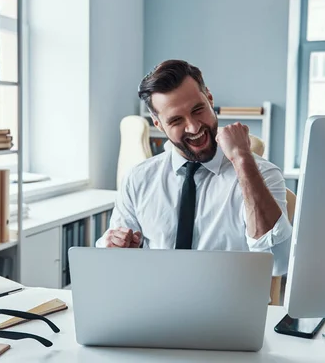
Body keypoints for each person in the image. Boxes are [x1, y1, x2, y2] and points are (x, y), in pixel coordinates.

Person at [96, 59, 292, 275]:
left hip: (228, 306)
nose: (194, 126)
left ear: (209, 99)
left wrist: (242, 160)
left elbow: (278, 263)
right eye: (176, 120)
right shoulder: (138, 179)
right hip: (156, 303)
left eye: (198, 110)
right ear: (159, 124)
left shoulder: (262, 174)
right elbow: (117, 264)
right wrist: (112, 248)